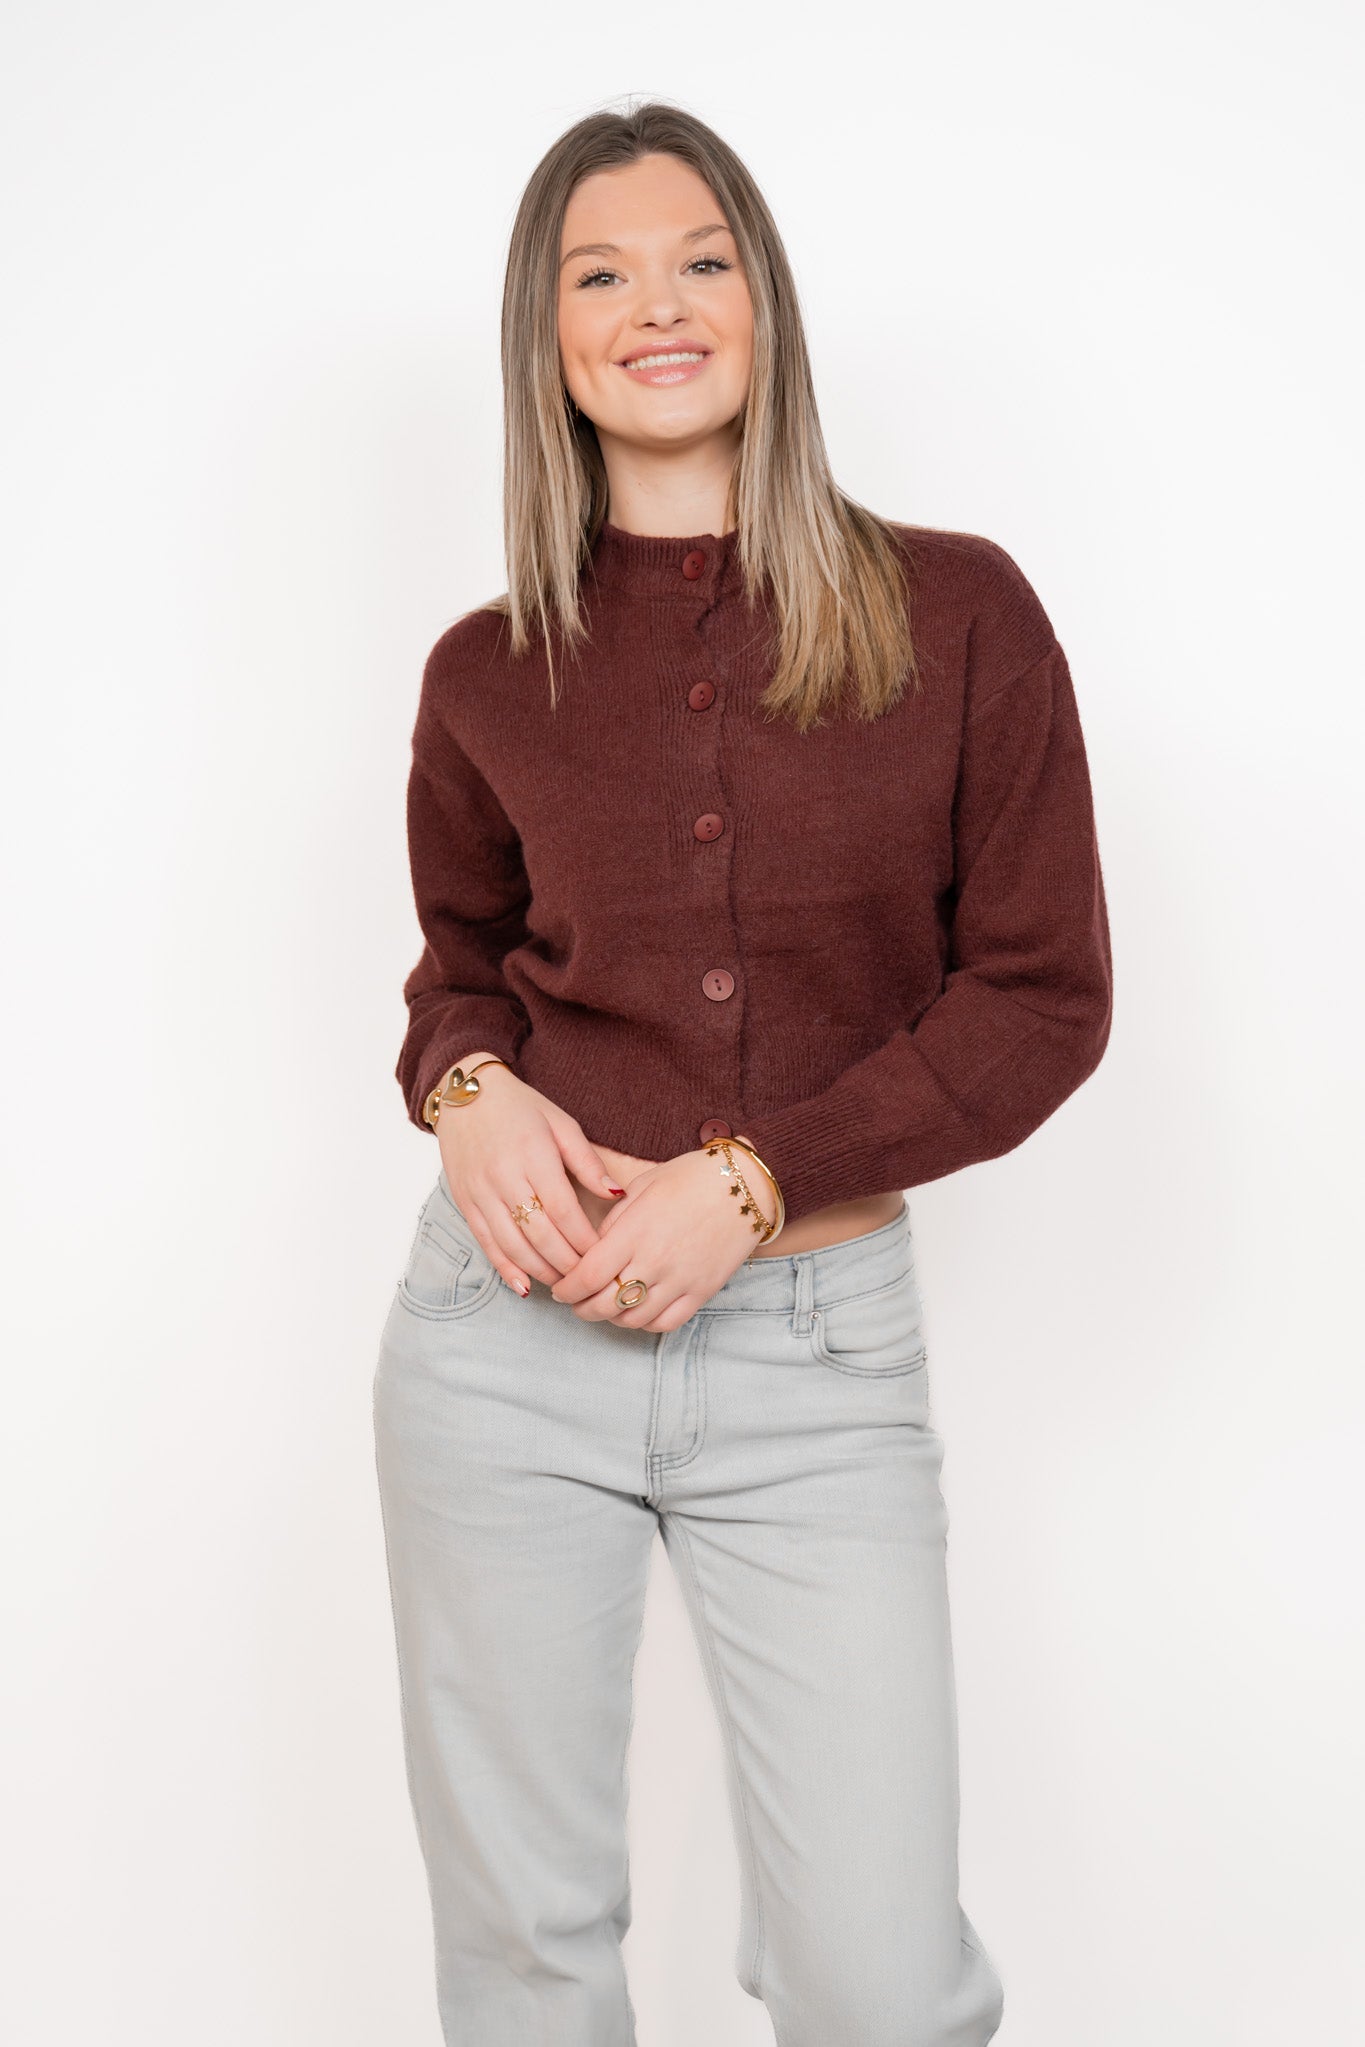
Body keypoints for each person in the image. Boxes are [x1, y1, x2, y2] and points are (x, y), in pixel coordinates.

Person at [372, 100, 1112, 2047]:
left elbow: (1041, 997)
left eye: (700, 260)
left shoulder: (956, 612)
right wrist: (465, 1091)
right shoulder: (484, 668)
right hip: (501, 1342)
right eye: (598, 275)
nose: (657, 306)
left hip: (815, 1360)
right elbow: (460, 972)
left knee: (878, 1982)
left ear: (763, 302)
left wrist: (756, 1173)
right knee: (525, 1951)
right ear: (545, 337)